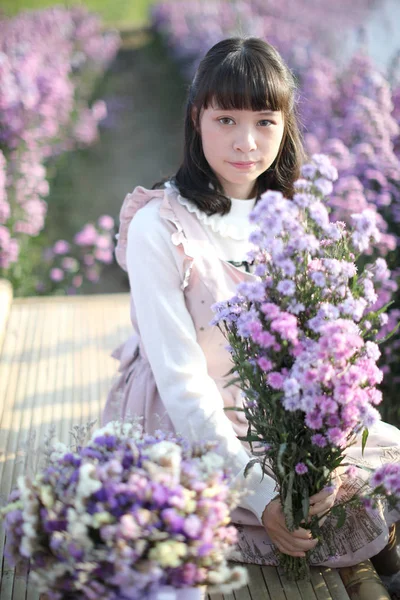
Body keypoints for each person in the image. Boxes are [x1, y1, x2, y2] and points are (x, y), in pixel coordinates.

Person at [103, 37, 400, 569]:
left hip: (279, 417)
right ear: (197, 118)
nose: (246, 143)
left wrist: (325, 450)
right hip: (187, 422)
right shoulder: (160, 227)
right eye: (226, 120)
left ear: (286, 125)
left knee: (366, 472)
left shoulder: (292, 217)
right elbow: (182, 383)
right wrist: (261, 495)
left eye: (265, 121)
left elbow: (325, 363)